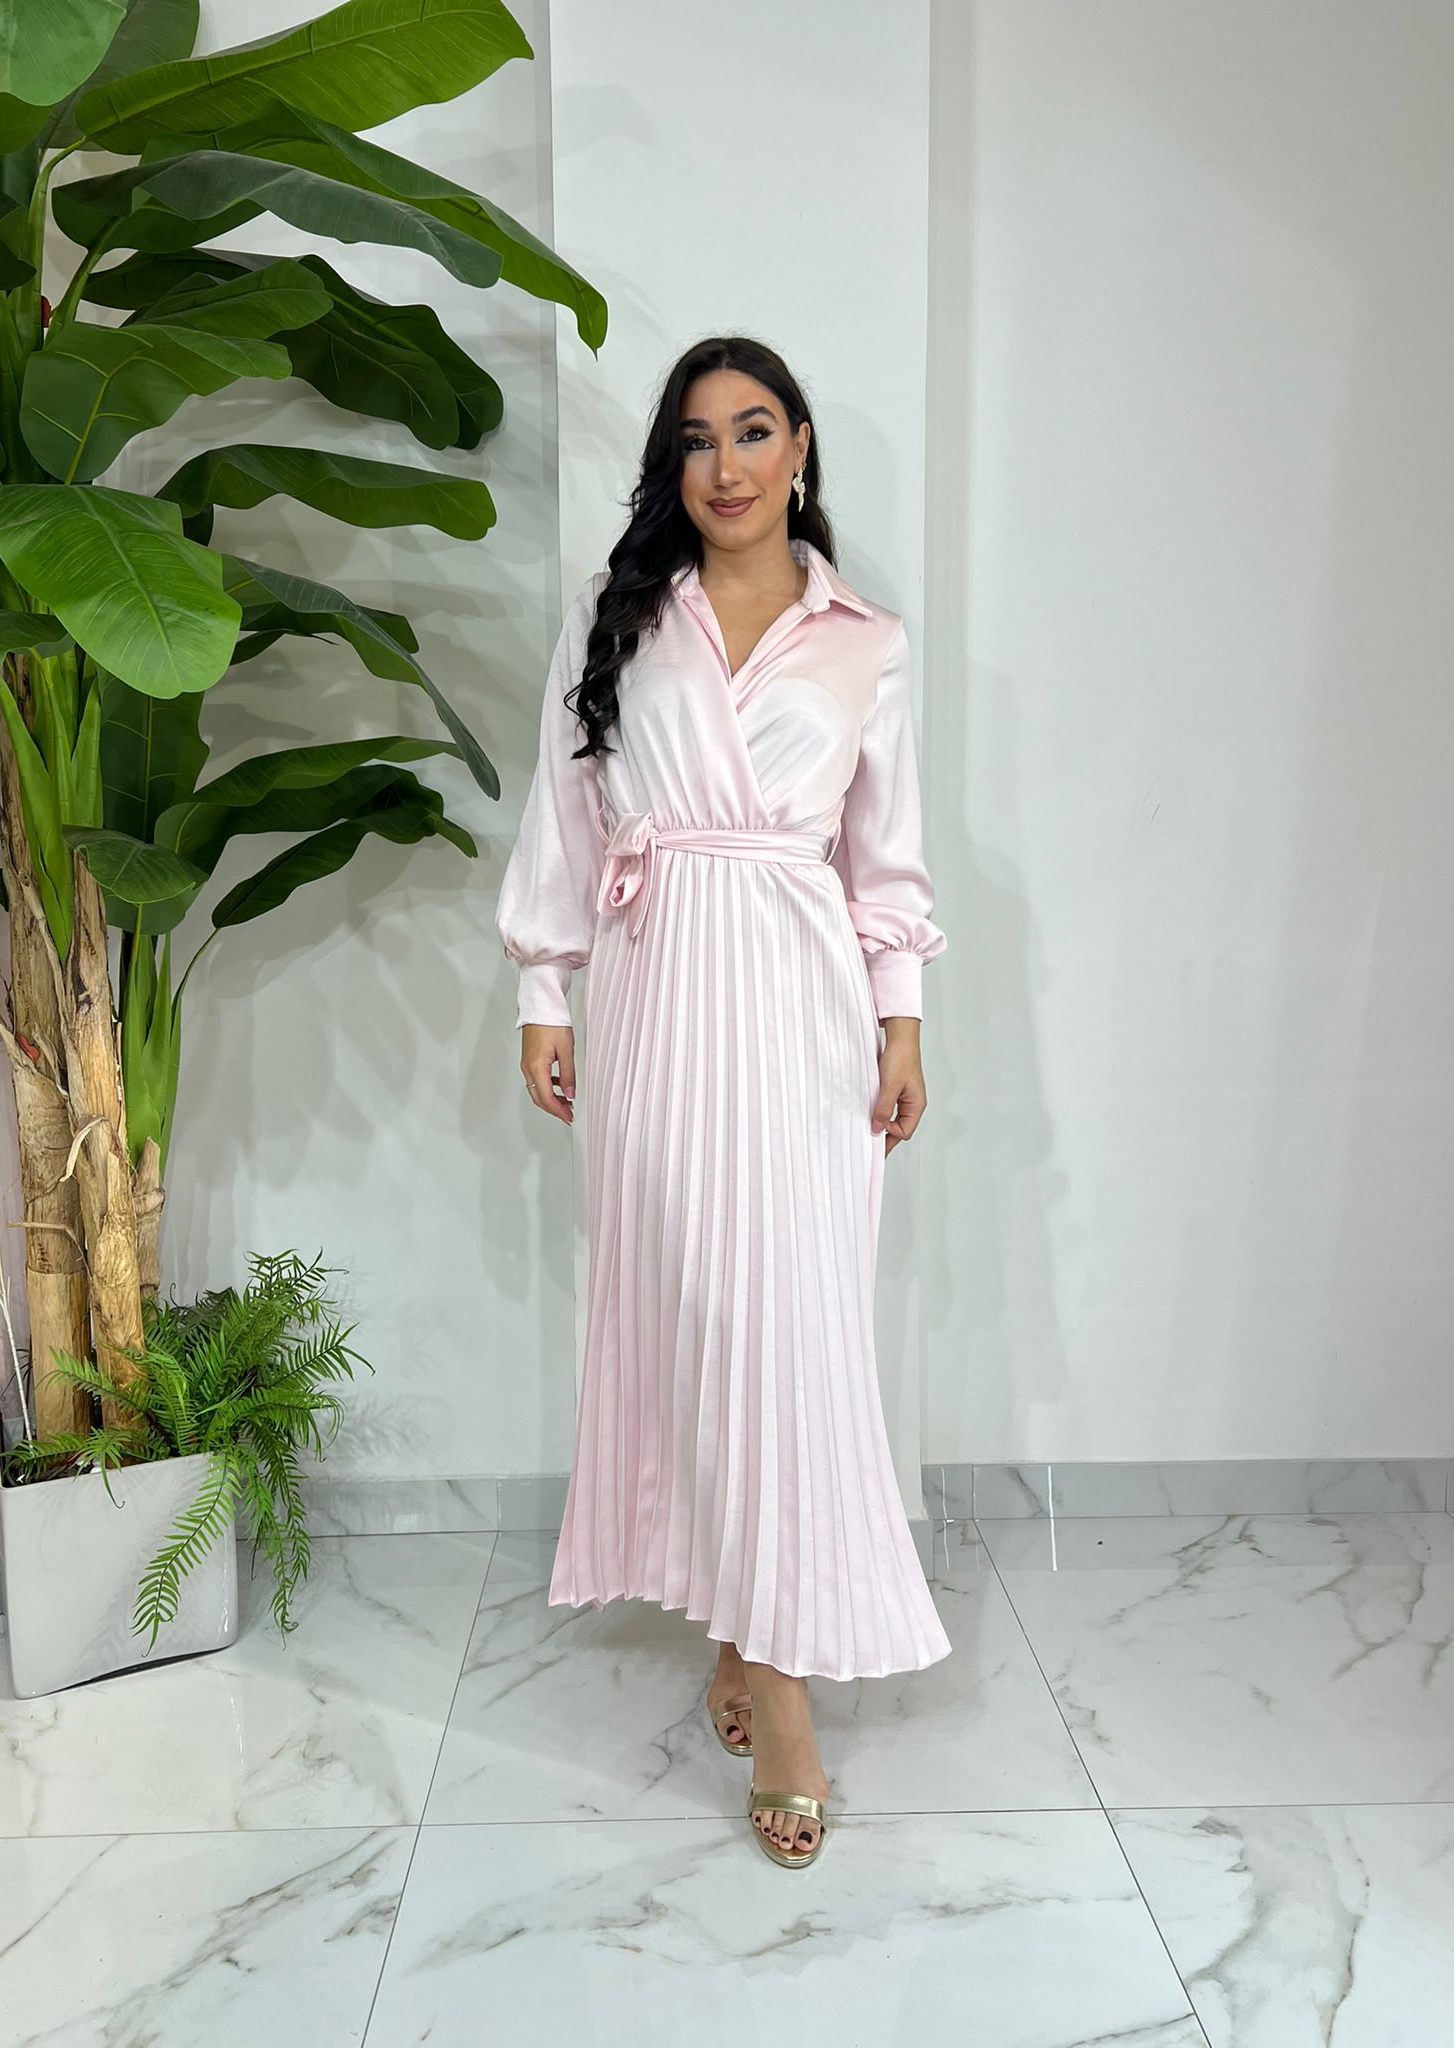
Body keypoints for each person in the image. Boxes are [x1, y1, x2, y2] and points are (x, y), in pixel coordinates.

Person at [495, 335, 952, 1869]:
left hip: (808, 1022)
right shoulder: (618, 616)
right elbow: (564, 815)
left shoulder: (865, 642)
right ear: (671, 468)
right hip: (655, 1008)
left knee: (790, 1336)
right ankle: (757, 1652)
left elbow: (885, 859)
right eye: (697, 440)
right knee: (691, 1321)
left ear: (801, 447)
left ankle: (773, 1666)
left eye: (755, 432)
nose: (729, 465)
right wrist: (543, 991)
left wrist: (900, 1023)